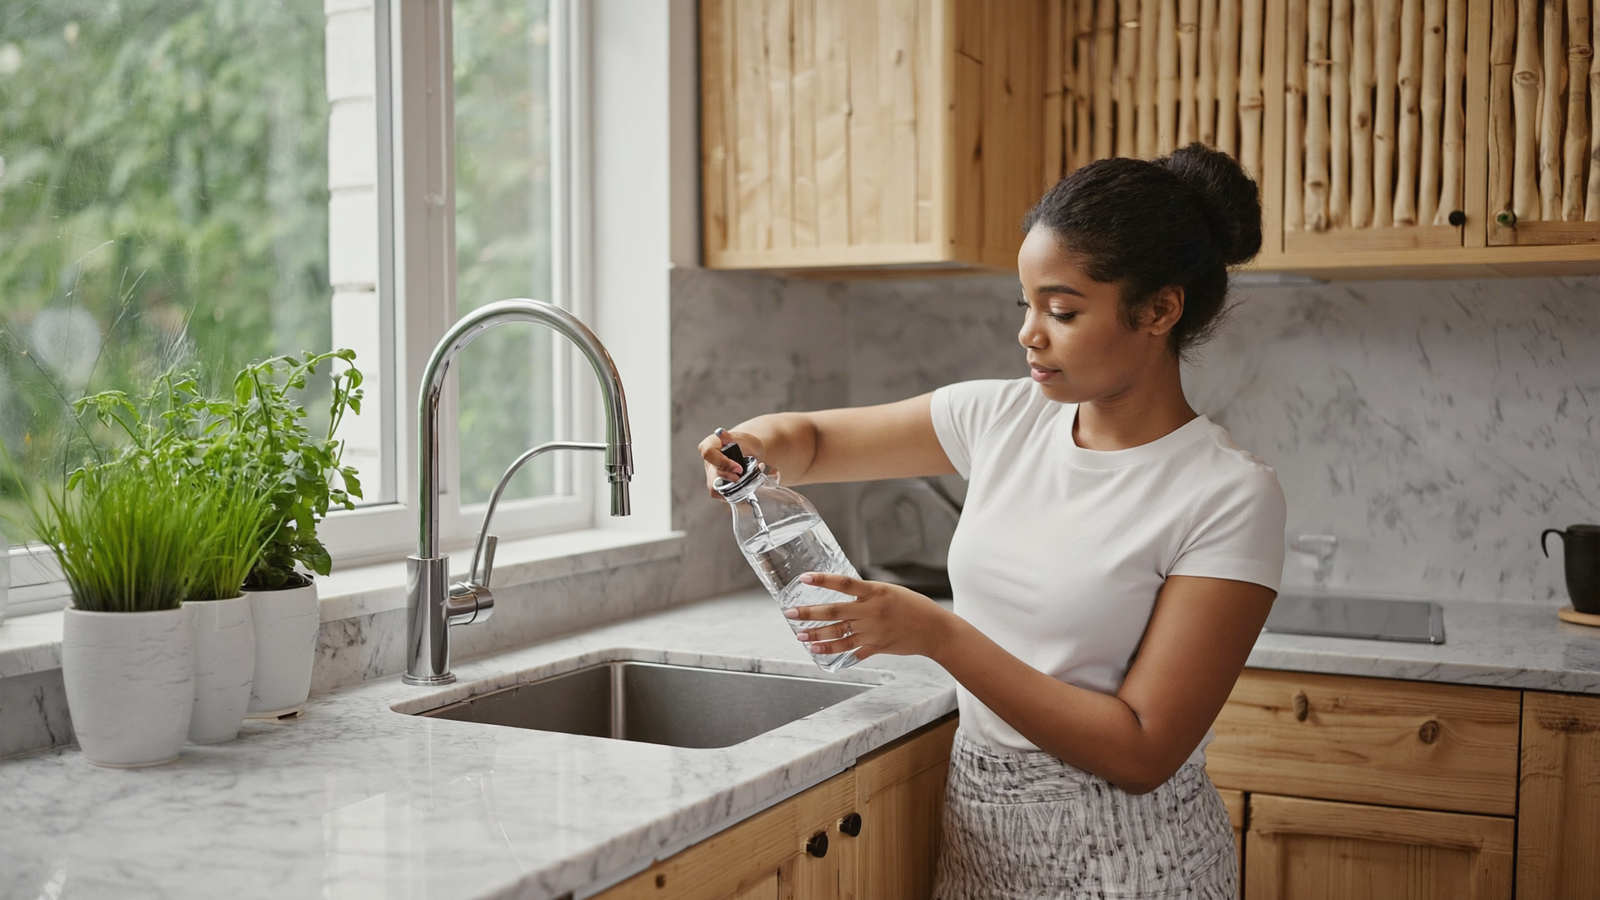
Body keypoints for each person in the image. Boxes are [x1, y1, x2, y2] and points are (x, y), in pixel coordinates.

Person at [699, 142, 1286, 899]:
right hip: (982, 844)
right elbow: (811, 442)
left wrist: (938, 636)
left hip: (1139, 865)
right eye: (1027, 305)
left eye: (1063, 311)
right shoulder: (1003, 417)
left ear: (1159, 310)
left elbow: (1143, 749)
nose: (1029, 335)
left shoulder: (1228, 494)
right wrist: (747, 445)